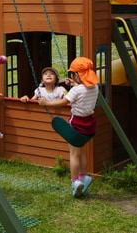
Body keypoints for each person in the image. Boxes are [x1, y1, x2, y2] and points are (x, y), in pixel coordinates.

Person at [39, 57, 99, 198]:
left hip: (77, 124)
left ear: (76, 75)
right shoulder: (95, 87)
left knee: (74, 153)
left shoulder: (76, 91)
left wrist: (45, 104)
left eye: (73, 74)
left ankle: (75, 182)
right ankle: (83, 176)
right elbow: (83, 90)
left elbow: (62, 102)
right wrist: (74, 83)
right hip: (89, 124)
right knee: (81, 151)